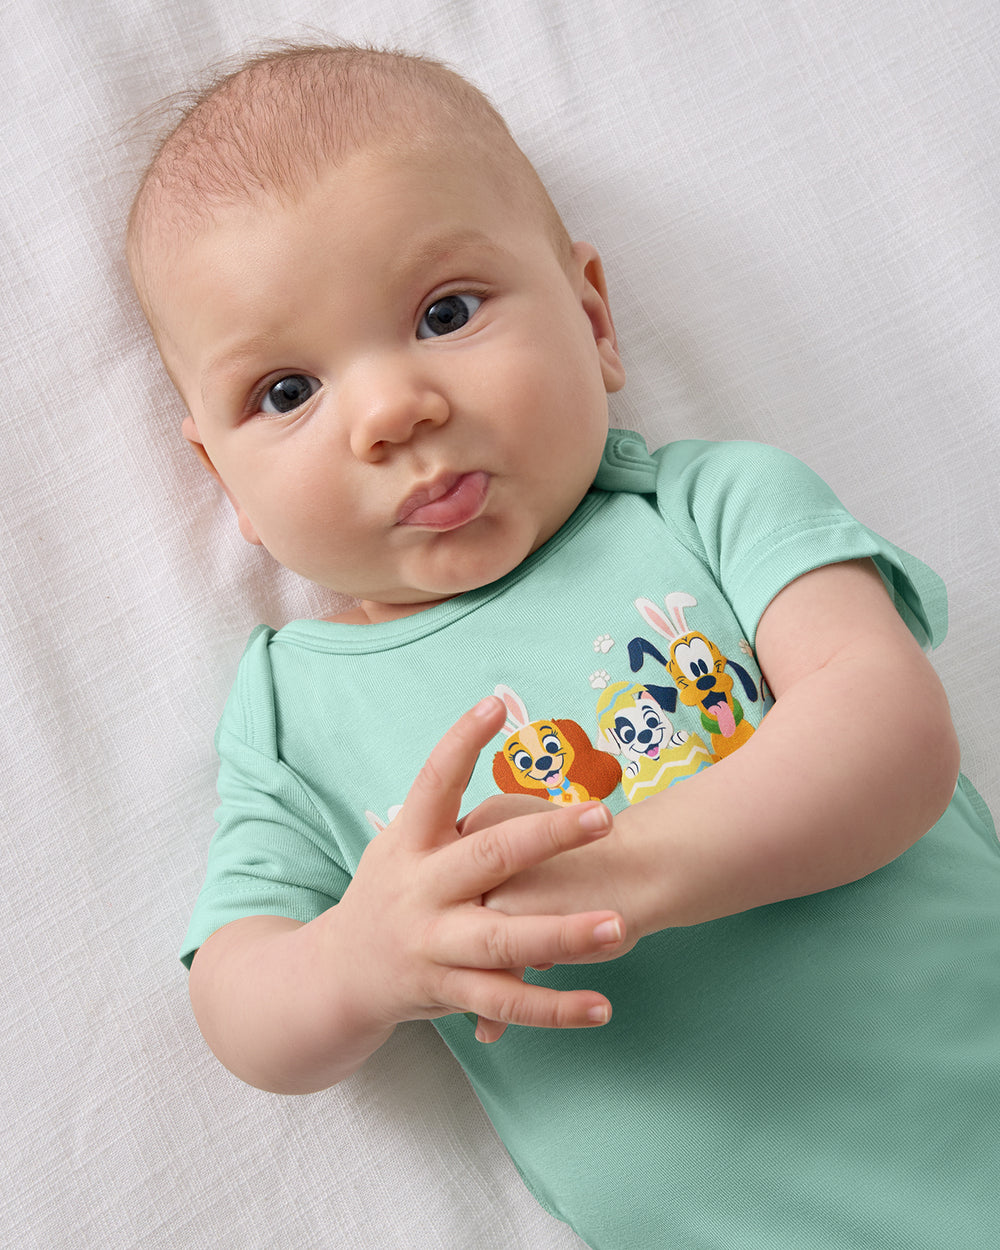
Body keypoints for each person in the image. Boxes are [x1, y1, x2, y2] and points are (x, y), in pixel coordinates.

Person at [127, 43, 1000, 1249]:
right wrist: (362, 958)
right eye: (285, 391)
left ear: (592, 318)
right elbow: (237, 998)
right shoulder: (291, 710)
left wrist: (628, 870)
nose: (391, 412)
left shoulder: (706, 508)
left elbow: (890, 734)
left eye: (444, 313)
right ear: (221, 474)